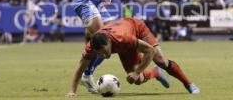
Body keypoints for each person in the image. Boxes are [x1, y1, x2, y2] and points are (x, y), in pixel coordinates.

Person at [66, 18, 200, 97]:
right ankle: (155, 73)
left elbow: (150, 51)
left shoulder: (123, 39)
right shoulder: (92, 46)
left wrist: (137, 71)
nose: (101, 55)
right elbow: (80, 67)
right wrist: (72, 91)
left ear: (108, 42)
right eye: (98, 53)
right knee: (136, 80)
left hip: (137, 28)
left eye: (103, 51)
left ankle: (189, 84)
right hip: (124, 42)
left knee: (161, 61)